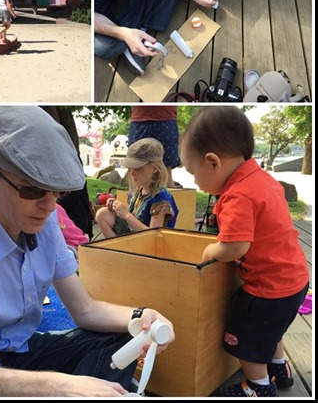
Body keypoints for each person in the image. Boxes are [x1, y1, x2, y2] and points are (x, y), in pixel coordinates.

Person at [0, 106, 175, 397]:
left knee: (126, 332)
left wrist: (144, 316)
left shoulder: (46, 219)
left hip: (21, 349)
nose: (49, 206)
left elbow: (84, 309)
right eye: (32, 190)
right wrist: (58, 385)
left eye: (58, 191)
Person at [180, 107, 309, 397]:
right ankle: (279, 368)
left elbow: (235, 247)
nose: (194, 182)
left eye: (192, 172)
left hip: (268, 289)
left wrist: (210, 251)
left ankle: (257, 386)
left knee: (246, 335)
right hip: (295, 280)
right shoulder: (262, 180)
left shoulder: (238, 194)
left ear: (212, 162)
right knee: (271, 330)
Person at [95, 138, 179, 238]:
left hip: (150, 246)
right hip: (135, 236)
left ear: (155, 168)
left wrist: (126, 215)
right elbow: (134, 217)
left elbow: (153, 235)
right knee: (102, 214)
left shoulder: (161, 198)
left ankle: (119, 250)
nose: (132, 173)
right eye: (130, 168)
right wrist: (116, 207)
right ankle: (116, 249)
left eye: (138, 168)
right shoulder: (139, 190)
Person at [129, 106, 180, 187]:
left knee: (166, 172)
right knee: (136, 167)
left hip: (166, 117)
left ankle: (169, 199)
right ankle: (134, 199)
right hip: (140, 119)